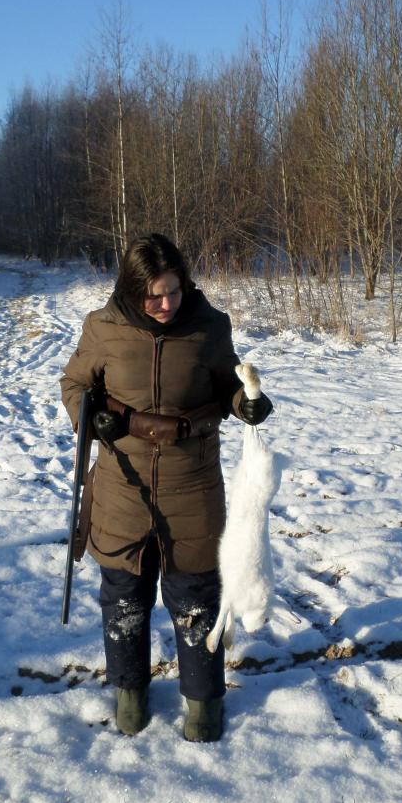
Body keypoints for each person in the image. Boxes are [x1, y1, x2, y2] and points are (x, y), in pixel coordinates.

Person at [60, 233, 272, 742]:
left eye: (173, 291)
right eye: (153, 295)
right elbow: (75, 385)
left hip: (192, 482)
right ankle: (129, 691)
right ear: (132, 289)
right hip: (122, 484)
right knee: (124, 596)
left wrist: (246, 403)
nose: (165, 304)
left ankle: (203, 701)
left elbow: (227, 384)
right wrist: (94, 420)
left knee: (196, 595)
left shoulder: (209, 326)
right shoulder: (103, 327)